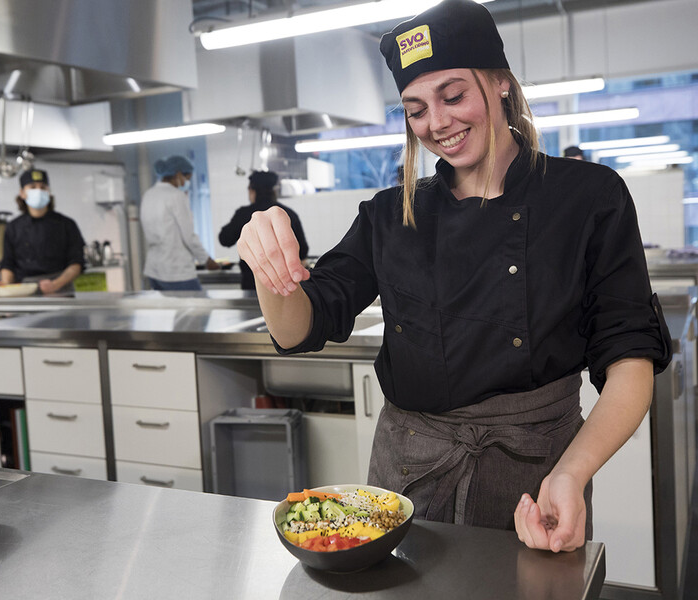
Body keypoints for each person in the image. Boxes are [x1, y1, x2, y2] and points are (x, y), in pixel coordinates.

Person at [236, 0, 671, 554]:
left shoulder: (588, 197)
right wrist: (269, 265)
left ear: (501, 84)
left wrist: (572, 474)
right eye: (415, 110)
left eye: (454, 95)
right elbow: (301, 327)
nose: (437, 123)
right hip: (409, 472)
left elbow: (629, 358)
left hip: (538, 477)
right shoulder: (391, 214)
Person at [0, 168, 85, 294]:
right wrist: (5, 286)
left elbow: (77, 263)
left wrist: (56, 284)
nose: (38, 191)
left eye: (43, 187)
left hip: (61, 290)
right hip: (24, 290)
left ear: (49, 192)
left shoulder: (67, 224)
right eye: (32, 187)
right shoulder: (13, 227)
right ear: (22, 193)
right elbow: (7, 263)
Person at [218, 170, 309, 290]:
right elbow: (303, 251)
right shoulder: (288, 214)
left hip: (252, 285)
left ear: (252, 190)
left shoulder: (243, 214)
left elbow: (224, 239)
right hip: (285, 286)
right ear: (274, 190)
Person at [140, 155, 219, 291]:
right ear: (178, 174)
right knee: (199, 311)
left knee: (168, 311)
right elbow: (189, 236)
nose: (186, 183)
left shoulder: (149, 194)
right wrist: (206, 260)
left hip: (154, 270)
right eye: (187, 179)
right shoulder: (176, 196)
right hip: (177, 271)